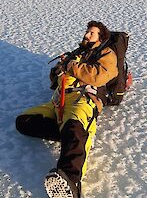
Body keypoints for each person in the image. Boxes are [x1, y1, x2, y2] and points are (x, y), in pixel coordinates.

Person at [16, 21, 118, 198]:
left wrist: (71, 66)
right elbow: (54, 80)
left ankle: (71, 181)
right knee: (24, 121)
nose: (86, 35)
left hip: (83, 99)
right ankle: (73, 135)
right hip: (57, 101)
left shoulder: (106, 53)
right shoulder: (77, 53)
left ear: (101, 38)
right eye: (87, 31)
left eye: (92, 33)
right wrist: (57, 72)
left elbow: (100, 76)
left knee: (74, 125)